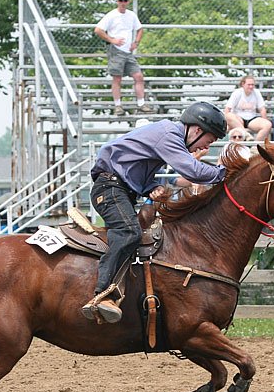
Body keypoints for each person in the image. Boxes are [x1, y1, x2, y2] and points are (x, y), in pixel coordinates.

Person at [81, 101, 228, 324]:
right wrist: (226, 173)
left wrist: (149, 187)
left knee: (138, 237)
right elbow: (191, 169)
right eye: (208, 141)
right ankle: (102, 294)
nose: (203, 149)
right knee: (129, 232)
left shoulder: (166, 134)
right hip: (110, 189)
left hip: (118, 189)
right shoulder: (169, 135)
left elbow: (133, 168)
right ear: (197, 130)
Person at [94, 0, 156, 116]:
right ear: (117, 1)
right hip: (116, 51)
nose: (123, 3)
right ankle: (118, 106)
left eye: (125, 0)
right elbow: (98, 30)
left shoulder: (131, 15)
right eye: (120, 0)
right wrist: (112, 40)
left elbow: (139, 29)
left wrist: (136, 43)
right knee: (117, 78)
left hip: (128, 52)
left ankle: (141, 103)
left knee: (138, 76)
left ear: (128, 2)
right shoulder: (111, 15)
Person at [224, 75, 272, 142]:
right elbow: (227, 109)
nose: (251, 87)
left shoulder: (256, 92)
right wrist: (227, 123)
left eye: (252, 85)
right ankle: (247, 135)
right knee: (228, 115)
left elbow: (262, 109)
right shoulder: (237, 93)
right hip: (238, 118)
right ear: (243, 84)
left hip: (251, 119)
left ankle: (255, 146)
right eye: (249, 85)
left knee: (268, 124)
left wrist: (265, 120)